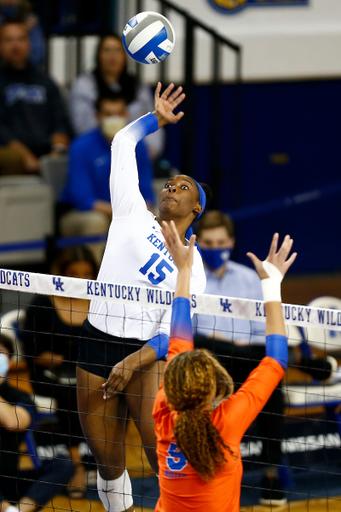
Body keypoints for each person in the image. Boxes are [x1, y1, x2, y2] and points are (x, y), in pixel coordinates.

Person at [76, 82, 207, 512]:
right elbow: (122, 141)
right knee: (109, 461)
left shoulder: (195, 263)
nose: (171, 188)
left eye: (182, 187)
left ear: (196, 208)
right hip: (98, 339)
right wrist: (156, 120)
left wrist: (133, 361)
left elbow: (177, 330)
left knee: (162, 459)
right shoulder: (132, 210)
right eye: (169, 182)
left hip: (147, 356)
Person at [193, 210, 338, 505]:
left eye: (220, 241)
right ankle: (305, 364)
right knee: (215, 348)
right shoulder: (191, 279)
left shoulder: (250, 279)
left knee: (270, 386)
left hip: (250, 365)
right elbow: (191, 335)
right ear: (198, 244)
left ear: (231, 242)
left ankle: (271, 474)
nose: (215, 248)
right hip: (209, 367)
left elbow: (265, 333)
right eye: (208, 243)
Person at [152, 220, 296, 512]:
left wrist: (182, 271)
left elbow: (178, 343)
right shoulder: (227, 421)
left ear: (174, 384)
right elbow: (278, 360)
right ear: (215, 388)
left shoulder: (163, 410)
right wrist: (272, 283)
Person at [22, 246, 98, 499]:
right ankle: (77, 467)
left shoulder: (102, 302)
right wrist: (51, 358)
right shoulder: (43, 303)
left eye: (87, 273)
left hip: (90, 371)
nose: (82, 279)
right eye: (74, 274)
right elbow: (32, 350)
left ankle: (108, 463)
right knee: (72, 396)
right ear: (62, 274)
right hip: (49, 378)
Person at [60, 94, 155, 262]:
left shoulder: (138, 146)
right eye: (108, 114)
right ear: (98, 117)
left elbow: (146, 191)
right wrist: (124, 212)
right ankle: (96, 279)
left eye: (119, 113)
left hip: (126, 212)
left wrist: (142, 210)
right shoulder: (81, 147)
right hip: (83, 214)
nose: (114, 118)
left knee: (160, 215)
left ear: (127, 116)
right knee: (96, 222)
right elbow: (84, 200)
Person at [0, 334, 75, 512]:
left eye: (1, 353)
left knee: (63, 465)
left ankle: (18, 510)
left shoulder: (19, 396)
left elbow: (13, 422)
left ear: (10, 362)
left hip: (7, 479)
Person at [69, 32, 164, 159]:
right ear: (98, 55)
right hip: (96, 154)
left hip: (135, 154)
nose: (112, 56)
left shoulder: (138, 85)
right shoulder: (83, 85)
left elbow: (152, 121)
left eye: (118, 50)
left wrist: (148, 152)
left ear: (125, 56)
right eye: (107, 50)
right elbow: (82, 127)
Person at [0, 19, 70, 175]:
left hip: (46, 152)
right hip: (12, 153)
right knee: (11, 159)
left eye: (21, 39)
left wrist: (57, 152)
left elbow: (60, 122)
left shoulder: (46, 82)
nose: (15, 45)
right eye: (9, 40)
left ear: (29, 43)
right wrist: (25, 156)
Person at [0, 0, 45, 68]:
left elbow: (37, 57)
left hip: (25, 72)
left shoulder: (31, 21)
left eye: (21, 39)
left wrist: (23, 31)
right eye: (8, 40)